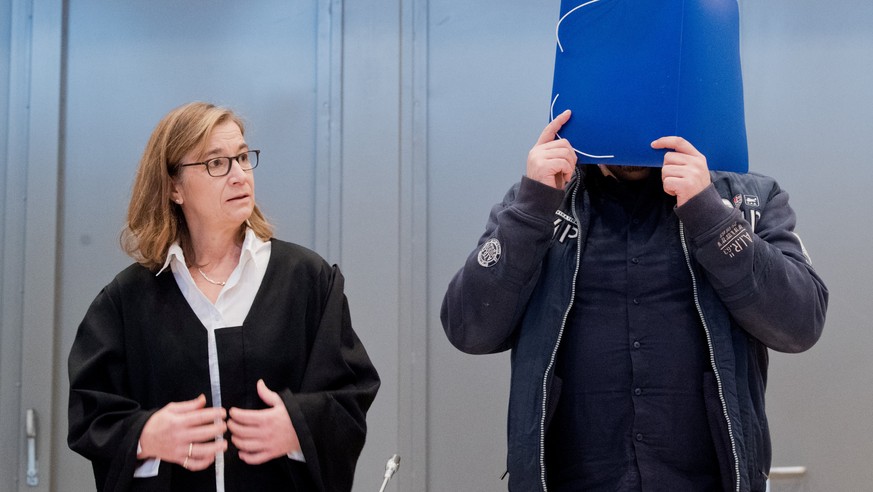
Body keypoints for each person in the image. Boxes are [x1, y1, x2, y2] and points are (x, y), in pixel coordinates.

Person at [440, 109, 828, 492]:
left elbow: (801, 324)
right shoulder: (542, 199)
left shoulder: (747, 198)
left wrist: (710, 214)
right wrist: (530, 208)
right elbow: (469, 329)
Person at [68, 102, 380, 492]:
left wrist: (299, 427)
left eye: (243, 158)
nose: (239, 175)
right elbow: (91, 415)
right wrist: (146, 434)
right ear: (174, 187)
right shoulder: (127, 301)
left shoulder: (307, 280)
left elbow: (351, 396)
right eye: (216, 163)